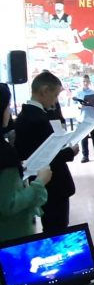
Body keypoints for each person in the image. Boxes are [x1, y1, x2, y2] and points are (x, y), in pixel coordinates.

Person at [14, 71, 78, 232]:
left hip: (45, 184)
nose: (56, 101)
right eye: (55, 95)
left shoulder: (28, 115)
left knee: (53, 225)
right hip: (53, 185)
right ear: (44, 91)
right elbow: (47, 156)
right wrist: (70, 151)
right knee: (57, 228)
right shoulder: (38, 120)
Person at [0, 83, 53, 241]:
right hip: (11, 236)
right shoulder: (4, 153)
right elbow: (8, 205)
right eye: (7, 106)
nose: (9, 112)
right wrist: (40, 182)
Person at [75, 74, 94, 163]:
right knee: (84, 138)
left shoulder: (93, 92)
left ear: (89, 82)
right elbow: (75, 105)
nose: (85, 83)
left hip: (93, 117)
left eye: (87, 81)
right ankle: (85, 156)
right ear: (81, 82)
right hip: (82, 118)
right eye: (84, 81)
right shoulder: (78, 93)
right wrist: (81, 105)